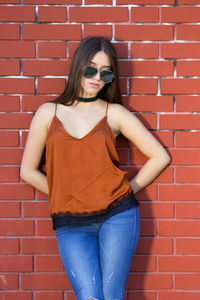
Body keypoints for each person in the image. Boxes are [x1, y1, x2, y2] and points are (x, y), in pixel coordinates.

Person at [20, 36, 170, 300]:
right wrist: (65, 193)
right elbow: (28, 171)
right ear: (77, 66)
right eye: (90, 68)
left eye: (105, 72)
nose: (97, 77)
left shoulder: (115, 114)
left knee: (111, 295)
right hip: (71, 224)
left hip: (117, 218)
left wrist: (126, 190)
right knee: (89, 295)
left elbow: (159, 157)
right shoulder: (48, 113)